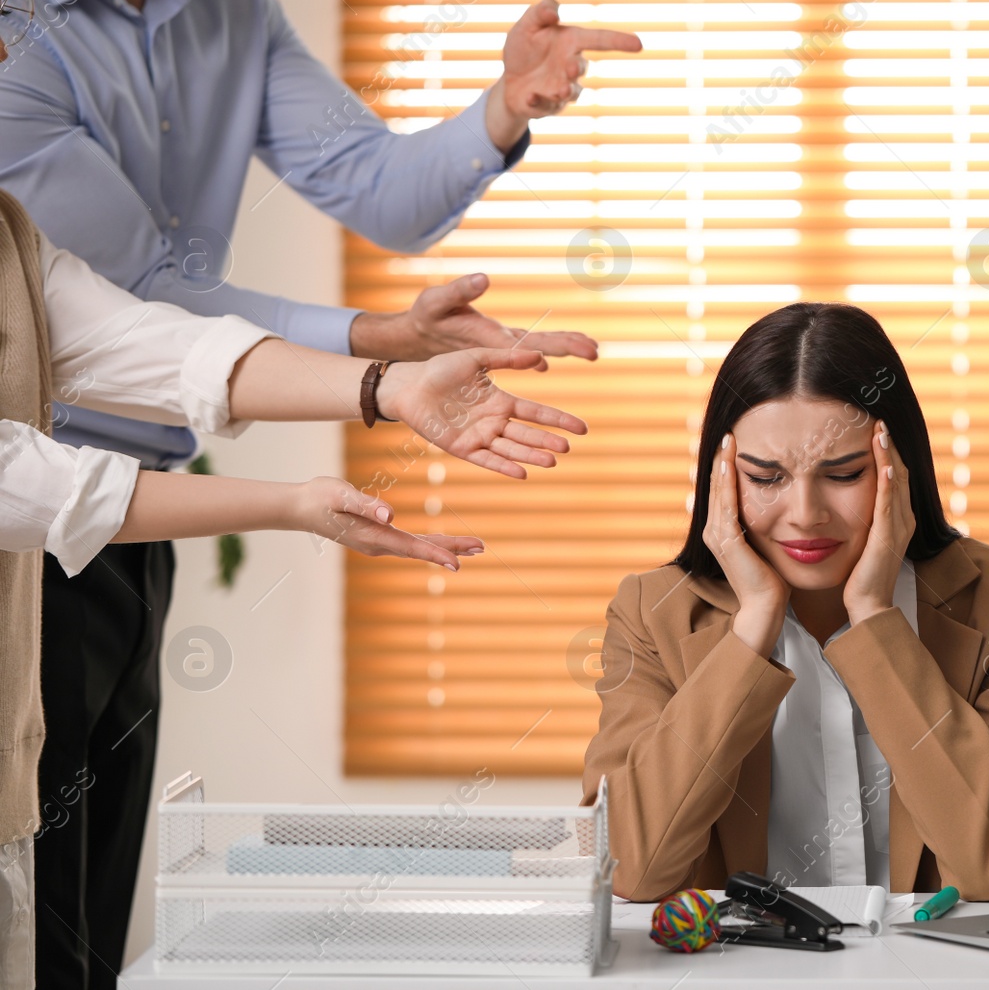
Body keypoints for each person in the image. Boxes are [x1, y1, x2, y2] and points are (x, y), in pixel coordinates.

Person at [0, 0, 639, 981]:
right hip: (57, 529)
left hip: (132, 524)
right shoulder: (26, 9)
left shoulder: (218, 4)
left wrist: (387, 385)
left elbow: (122, 331)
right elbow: (61, 436)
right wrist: (308, 470)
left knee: (77, 925)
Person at [0, 177, 587, 986]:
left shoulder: (9, 235)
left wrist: (391, 386)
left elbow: (155, 346)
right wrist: (290, 504)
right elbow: (23, 483)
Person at [580, 303, 989, 902]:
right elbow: (628, 870)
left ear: (897, 469)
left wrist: (876, 622)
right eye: (765, 478)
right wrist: (752, 629)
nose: (806, 515)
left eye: (843, 474)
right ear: (722, 479)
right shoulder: (651, 613)